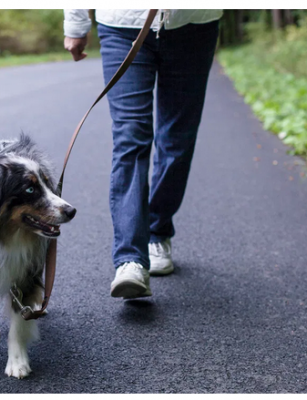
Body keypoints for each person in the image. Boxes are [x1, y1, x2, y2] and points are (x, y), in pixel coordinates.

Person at [63, 9, 222, 299]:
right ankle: (130, 260)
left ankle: (158, 231)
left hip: (195, 25)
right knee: (130, 137)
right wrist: (76, 21)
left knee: (178, 139)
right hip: (123, 25)